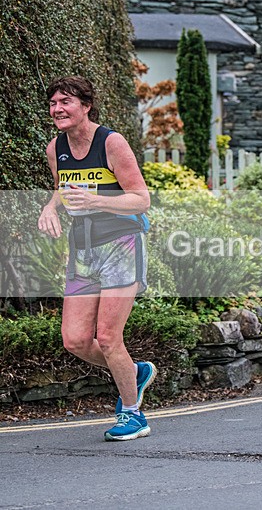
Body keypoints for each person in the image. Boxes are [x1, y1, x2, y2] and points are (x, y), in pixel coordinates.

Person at [37, 76, 155, 441]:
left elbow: (141, 199)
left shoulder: (111, 143)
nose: (57, 109)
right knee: (74, 339)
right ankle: (134, 372)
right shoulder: (55, 147)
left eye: (66, 102)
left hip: (121, 243)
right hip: (82, 249)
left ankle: (133, 414)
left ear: (86, 106)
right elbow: (63, 188)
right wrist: (51, 207)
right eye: (53, 103)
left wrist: (97, 201)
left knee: (107, 336)